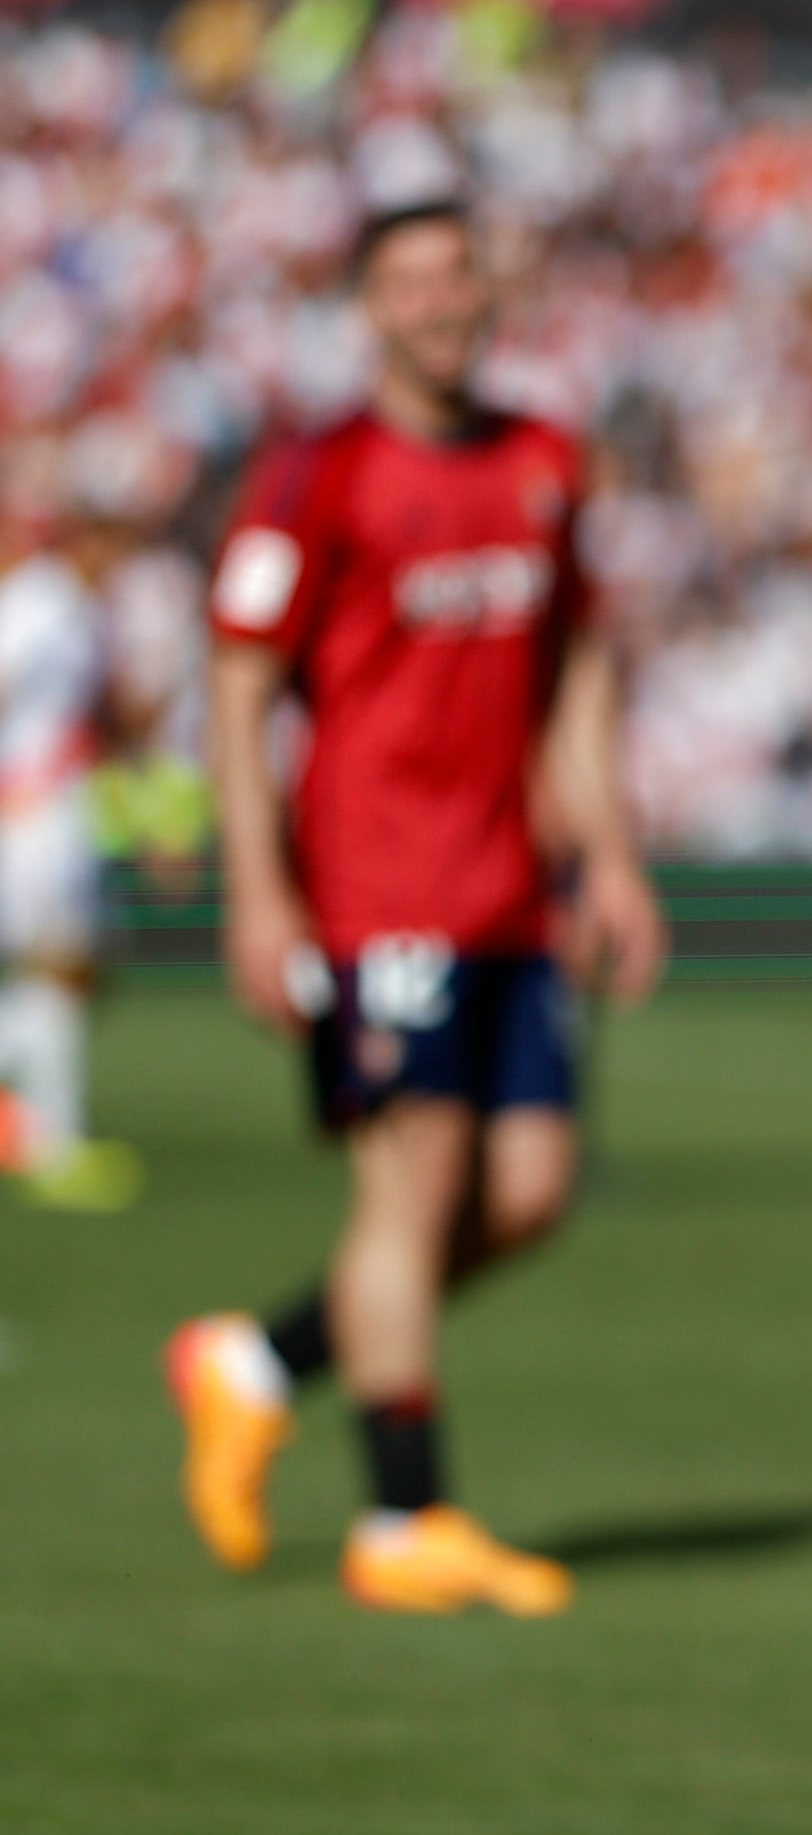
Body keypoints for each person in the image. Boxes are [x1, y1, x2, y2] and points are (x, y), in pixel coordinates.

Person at [162, 198, 664, 1615]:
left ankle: (254, 1364)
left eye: (460, 270)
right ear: (369, 306)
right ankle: (403, 1518)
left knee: (531, 1192)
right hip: (374, 890)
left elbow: (571, 670)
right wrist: (258, 895)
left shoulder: (544, 460)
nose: (443, 298)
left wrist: (610, 856)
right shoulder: (315, 473)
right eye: (410, 278)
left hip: (508, 891)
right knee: (416, 1184)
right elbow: (241, 684)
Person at [0, 481, 143, 1211]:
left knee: (73, 970)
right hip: (31, 809)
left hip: (57, 804)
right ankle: (54, 1138)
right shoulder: (42, 601)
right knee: (59, 967)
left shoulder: (78, 608)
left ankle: (44, 1129)